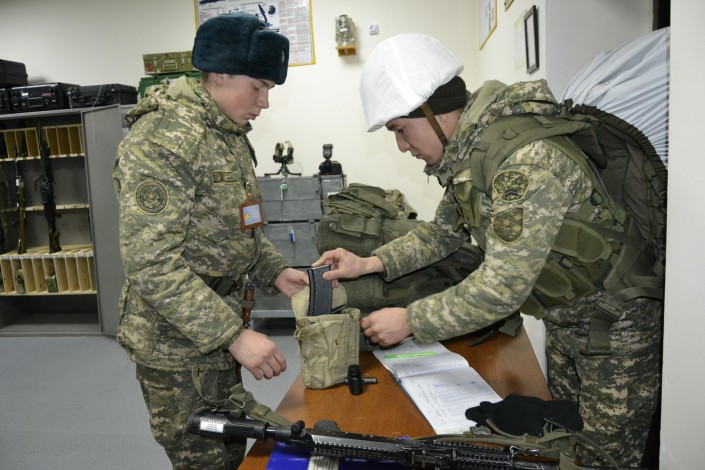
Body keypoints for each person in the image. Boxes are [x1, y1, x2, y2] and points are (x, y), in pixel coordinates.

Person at [314, 33, 662, 468]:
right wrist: (369, 262)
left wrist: (410, 320)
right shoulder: (472, 156)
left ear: (434, 111)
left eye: (401, 130)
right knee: (564, 446)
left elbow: (501, 289)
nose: (402, 146)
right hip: (567, 320)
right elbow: (440, 235)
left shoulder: (524, 162)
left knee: (603, 461)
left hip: (615, 326)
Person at [113, 12, 308, 469]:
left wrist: (276, 271)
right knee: (204, 459)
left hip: (218, 325)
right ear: (219, 73)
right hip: (175, 344)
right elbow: (151, 263)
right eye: (258, 87)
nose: (264, 102)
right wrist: (234, 335)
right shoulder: (163, 138)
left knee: (231, 448)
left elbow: (243, 227)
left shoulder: (227, 133)